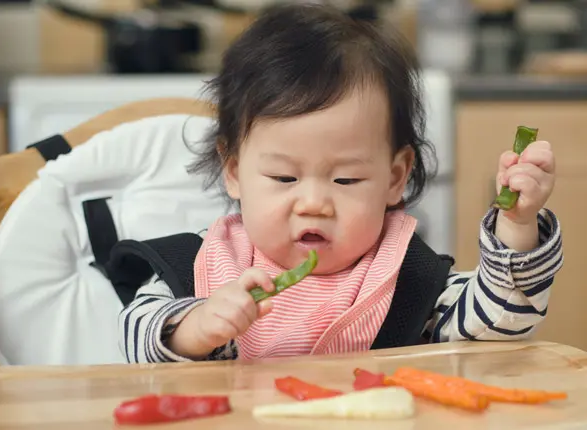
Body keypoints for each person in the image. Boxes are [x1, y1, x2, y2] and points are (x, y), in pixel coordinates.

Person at [118, 3, 563, 363]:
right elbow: (135, 330)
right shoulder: (202, 265)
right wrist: (194, 328)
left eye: (346, 179)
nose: (313, 203)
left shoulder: (407, 282)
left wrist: (518, 226)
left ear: (394, 177)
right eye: (284, 177)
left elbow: (500, 322)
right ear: (234, 171)